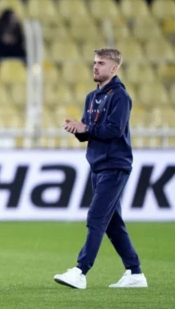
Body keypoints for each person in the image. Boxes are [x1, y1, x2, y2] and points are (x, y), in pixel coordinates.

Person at [54, 48, 147, 290]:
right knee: (113, 223)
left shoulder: (120, 97)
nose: (95, 66)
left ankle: (81, 271)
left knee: (96, 217)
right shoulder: (91, 97)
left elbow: (114, 131)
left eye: (101, 63)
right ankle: (135, 272)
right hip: (98, 165)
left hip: (115, 166)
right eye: (95, 62)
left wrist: (85, 127)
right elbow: (90, 134)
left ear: (114, 69)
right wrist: (78, 130)